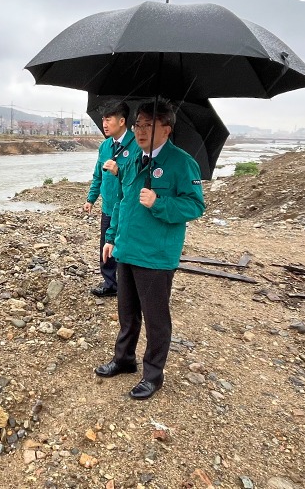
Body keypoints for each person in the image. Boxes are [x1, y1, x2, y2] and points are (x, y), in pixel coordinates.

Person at [96, 99, 205, 400]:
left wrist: (159, 202)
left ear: (167, 129)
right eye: (137, 125)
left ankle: (153, 375)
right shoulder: (133, 160)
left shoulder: (182, 163)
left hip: (156, 255)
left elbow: (196, 205)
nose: (140, 131)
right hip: (127, 249)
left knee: (156, 318)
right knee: (127, 312)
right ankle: (124, 359)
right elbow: (121, 201)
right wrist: (111, 236)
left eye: (148, 125)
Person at [82, 101, 135, 297]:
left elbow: (137, 179)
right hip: (108, 207)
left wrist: (119, 171)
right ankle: (110, 283)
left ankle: (129, 285)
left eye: (108, 119)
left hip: (129, 207)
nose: (104, 124)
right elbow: (98, 175)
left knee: (126, 245)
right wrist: (91, 198)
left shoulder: (137, 144)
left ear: (122, 121)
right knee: (106, 245)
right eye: (103, 119)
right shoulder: (105, 147)